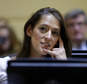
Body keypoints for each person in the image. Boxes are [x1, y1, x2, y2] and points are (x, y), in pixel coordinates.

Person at [0, 7, 71, 84]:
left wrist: (64, 67)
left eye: (55, 33)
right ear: (29, 30)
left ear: (58, 41)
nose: (49, 37)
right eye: (43, 29)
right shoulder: (2, 65)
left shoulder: (61, 68)